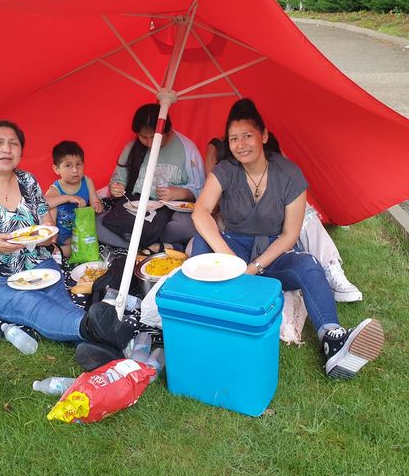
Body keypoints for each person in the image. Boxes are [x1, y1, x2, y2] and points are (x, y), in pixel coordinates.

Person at [192, 100, 384, 379]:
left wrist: (254, 267)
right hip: (234, 245)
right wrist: (229, 258)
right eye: (234, 138)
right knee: (202, 241)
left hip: (273, 251)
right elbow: (201, 211)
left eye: (247, 135)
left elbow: (290, 234)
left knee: (309, 266)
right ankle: (203, 320)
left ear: (264, 136)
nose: (240, 144)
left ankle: (333, 339)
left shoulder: (289, 175)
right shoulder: (225, 171)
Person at [0, 120, 135, 369]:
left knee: (61, 299)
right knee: (28, 303)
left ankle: (98, 346)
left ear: (21, 152)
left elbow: (46, 224)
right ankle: (92, 330)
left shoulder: (27, 181)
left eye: (14, 144)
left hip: (35, 264)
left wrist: (48, 235)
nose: (7, 149)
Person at [205, 135, 363, 303]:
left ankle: (331, 267)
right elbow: (212, 200)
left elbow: (288, 179)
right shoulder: (217, 148)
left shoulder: (265, 143)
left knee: (304, 210)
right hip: (231, 220)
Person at [96, 103, 205, 251]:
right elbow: (118, 180)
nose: (149, 143)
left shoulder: (187, 148)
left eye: (154, 137)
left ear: (168, 130)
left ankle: (139, 242)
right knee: (96, 226)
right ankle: (156, 246)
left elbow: (201, 190)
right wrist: (117, 187)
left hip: (171, 212)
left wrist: (180, 193)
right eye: (143, 137)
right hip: (136, 208)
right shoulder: (132, 148)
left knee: (188, 227)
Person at [44, 140, 103, 258]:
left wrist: (97, 205)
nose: (75, 170)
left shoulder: (87, 181)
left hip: (82, 228)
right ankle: (56, 248)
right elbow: (42, 204)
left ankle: (66, 251)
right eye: (68, 165)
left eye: (79, 164)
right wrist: (68, 197)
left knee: (100, 228)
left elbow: (94, 200)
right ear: (56, 169)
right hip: (62, 235)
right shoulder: (55, 189)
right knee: (51, 209)